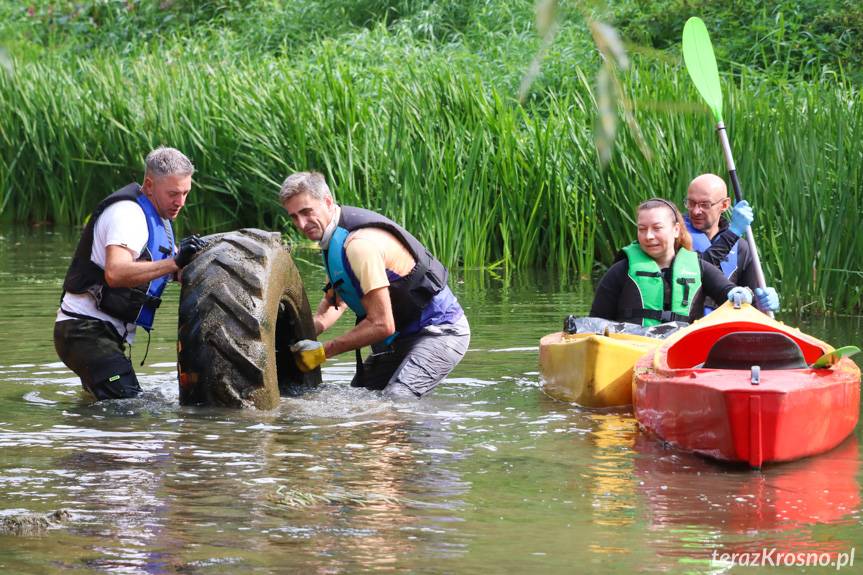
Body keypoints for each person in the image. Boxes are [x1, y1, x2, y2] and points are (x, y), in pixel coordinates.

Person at [279, 171, 470, 399]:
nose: (301, 224)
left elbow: (382, 325)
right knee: (359, 398)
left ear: (328, 202)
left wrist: (323, 351)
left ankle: (425, 433)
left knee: (397, 399)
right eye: (294, 217)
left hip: (439, 330)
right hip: (400, 337)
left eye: (306, 212)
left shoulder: (359, 245)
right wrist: (299, 337)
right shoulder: (333, 241)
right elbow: (335, 303)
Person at [54, 147, 207, 400]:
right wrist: (174, 263)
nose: (181, 202)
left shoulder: (158, 219)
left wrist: (186, 266)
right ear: (149, 185)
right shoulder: (128, 214)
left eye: (185, 193)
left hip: (100, 334)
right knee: (130, 411)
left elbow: (166, 269)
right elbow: (116, 272)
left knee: (108, 412)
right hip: (84, 332)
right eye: (173, 194)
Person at [590, 198, 779, 325]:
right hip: (632, 349)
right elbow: (596, 322)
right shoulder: (620, 271)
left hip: (681, 351)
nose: (648, 236)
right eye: (642, 229)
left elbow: (729, 293)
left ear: (676, 230)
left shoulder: (699, 267)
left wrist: (752, 298)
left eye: (657, 228)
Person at [685, 173, 760, 313]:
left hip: (722, 327)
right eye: (691, 203)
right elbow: (697, 268)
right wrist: (733, 234)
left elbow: (752, 304)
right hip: (687, 324)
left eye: (705, 205)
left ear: (724, 205)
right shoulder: (675, 237)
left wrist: (763, 303)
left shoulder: (741, 248)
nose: (695, 211)